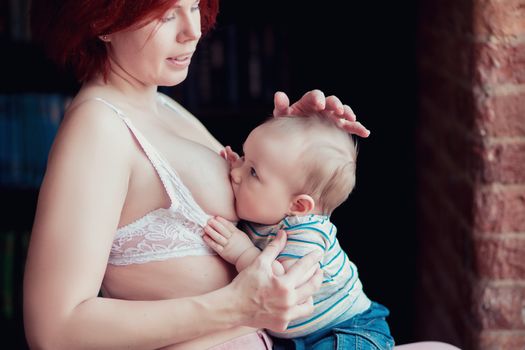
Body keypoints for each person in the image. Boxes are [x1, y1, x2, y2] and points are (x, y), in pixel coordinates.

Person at [23, 0, 461, 349]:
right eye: (164, 13)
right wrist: (235, 308)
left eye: (193, 5)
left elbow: (264, 222)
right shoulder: (98, 127)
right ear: (103, 17)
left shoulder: (160, 103)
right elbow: (54, 329)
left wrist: (294, 153)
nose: (193, 30)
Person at [203, 114, 394, 349]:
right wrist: (237, 164)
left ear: (298, 206)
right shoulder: (265, 210)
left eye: (253, 172)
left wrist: (242, 252)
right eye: (244, 157)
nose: (236, 173)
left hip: (348, 329)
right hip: (297, 337)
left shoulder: (307, 233)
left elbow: (282, 286)